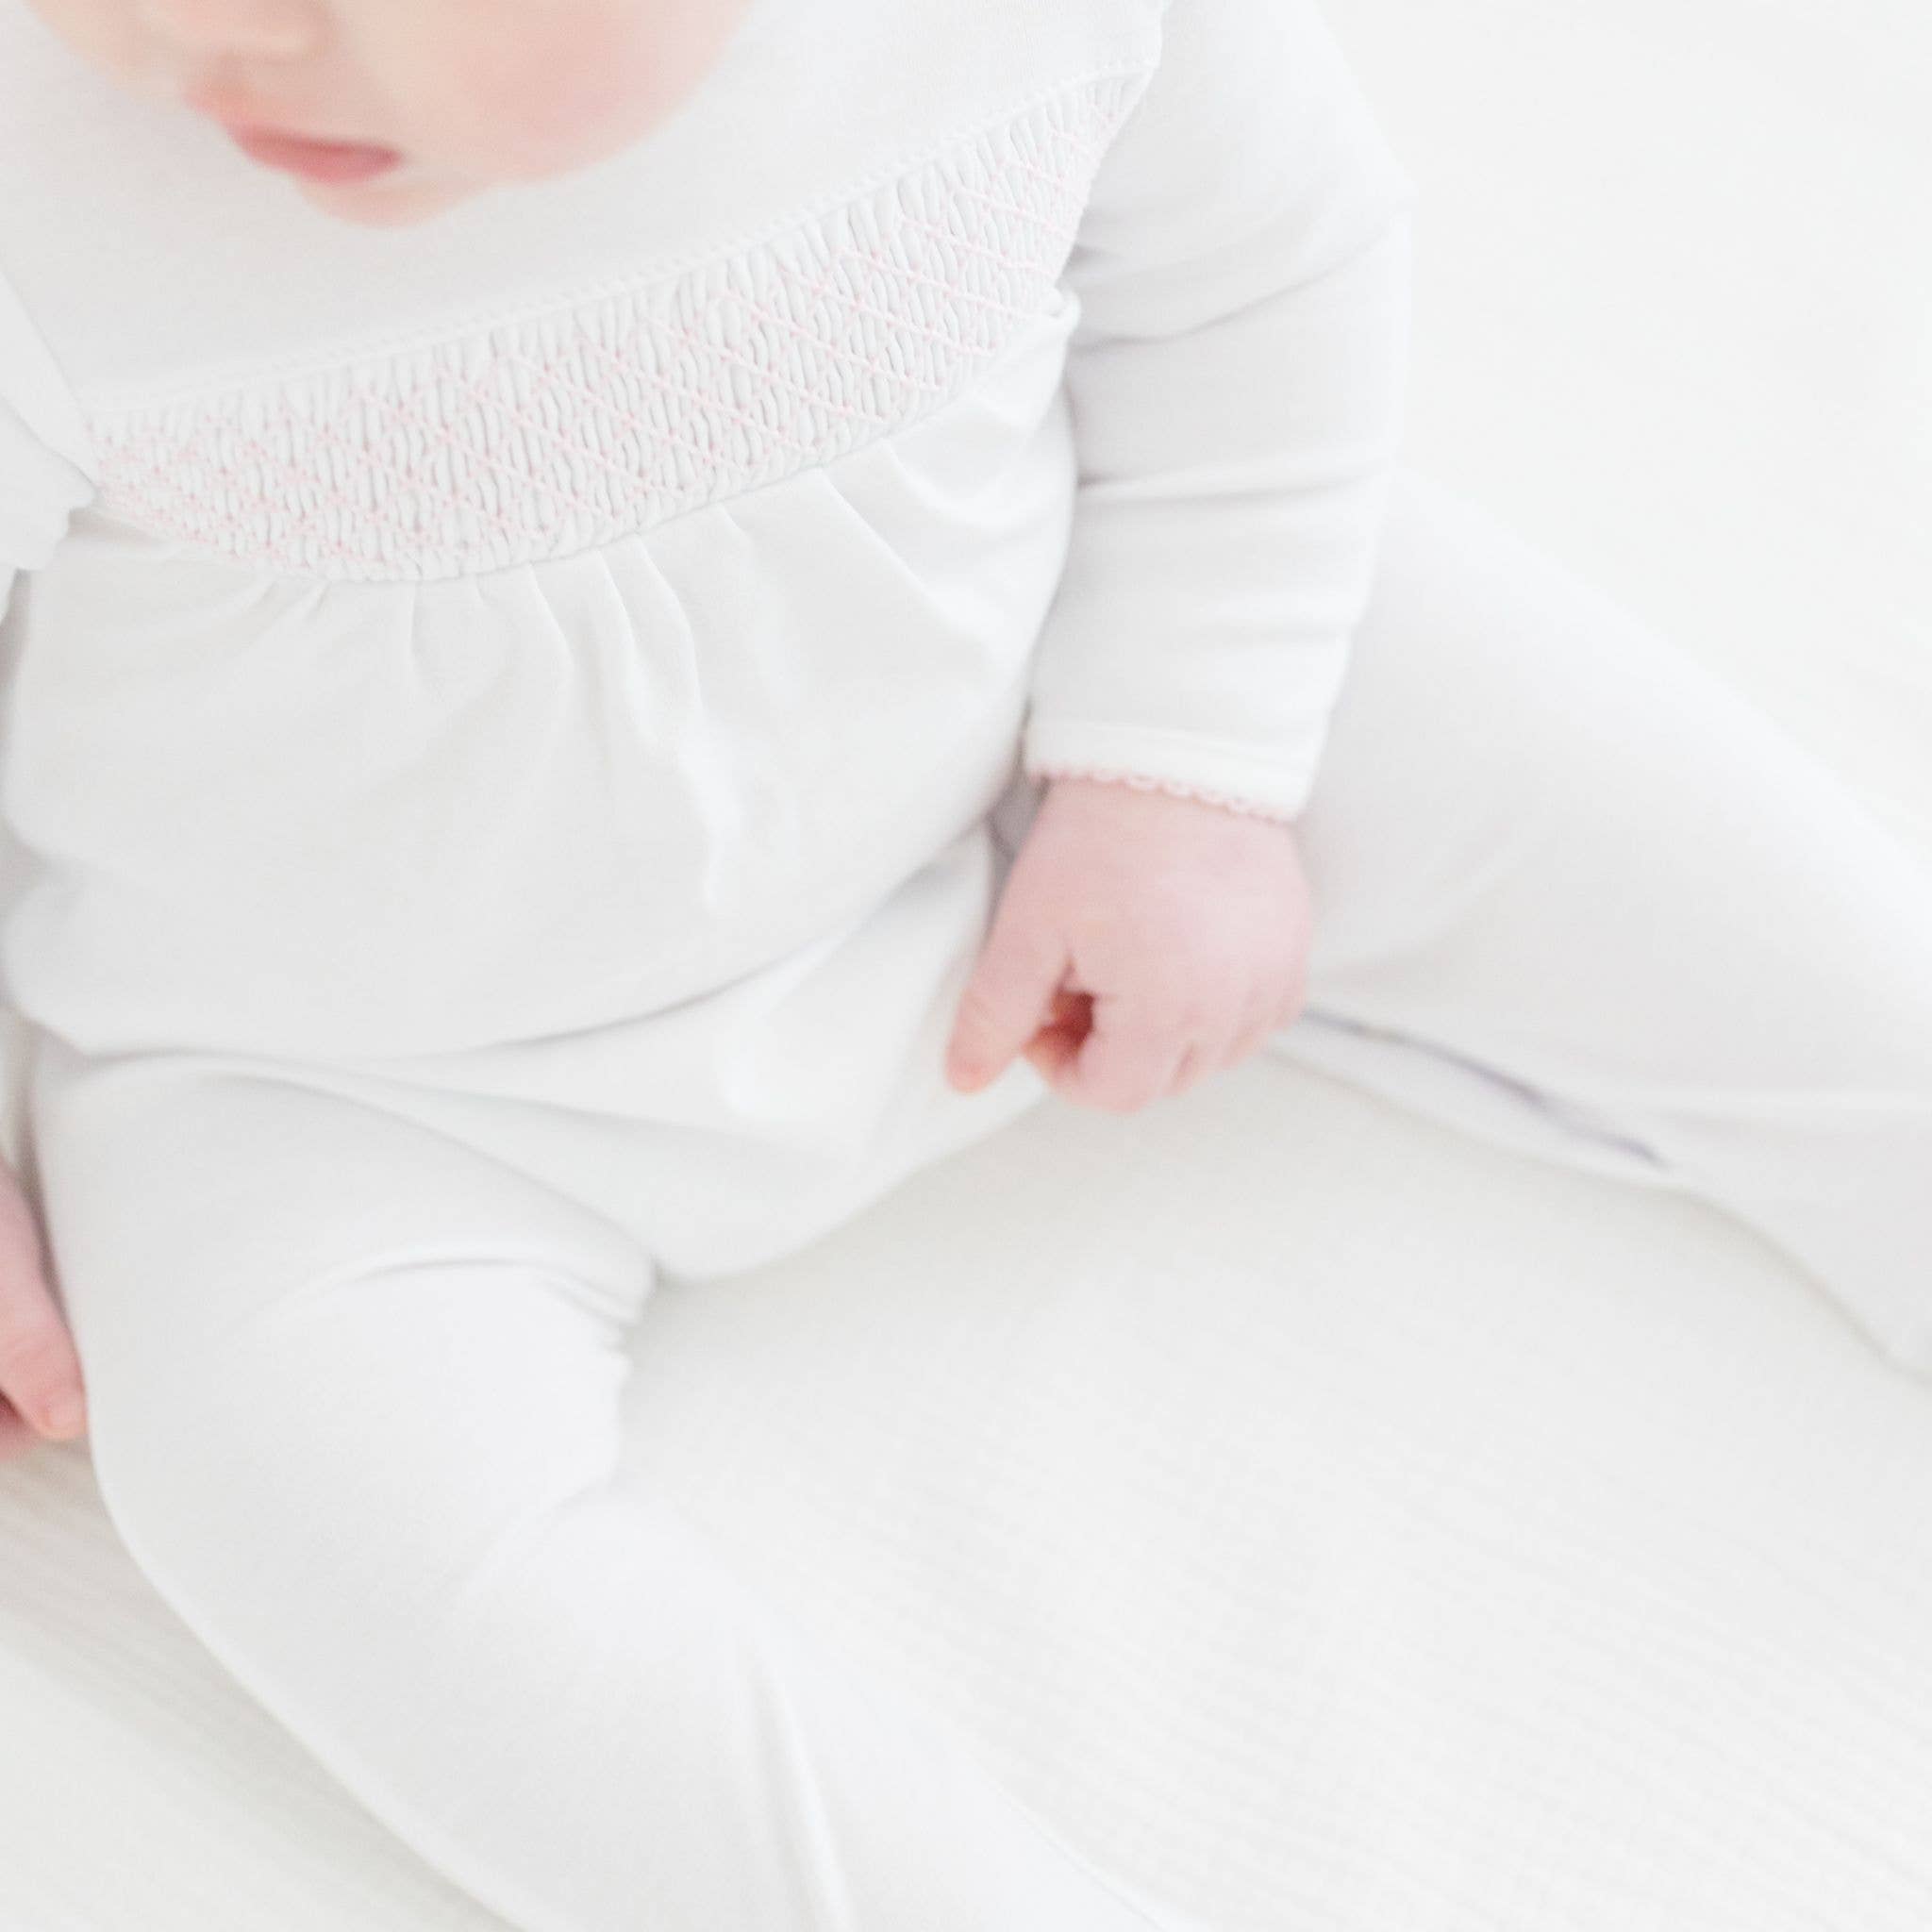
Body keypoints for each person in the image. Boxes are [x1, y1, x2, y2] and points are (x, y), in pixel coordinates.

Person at [1, 0, 1927, 1925]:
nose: (210, 27)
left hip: (1049, 695)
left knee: (1774, 919)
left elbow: (1266, 271)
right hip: (347, 1065)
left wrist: (1185, 766)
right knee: (316, 1514)